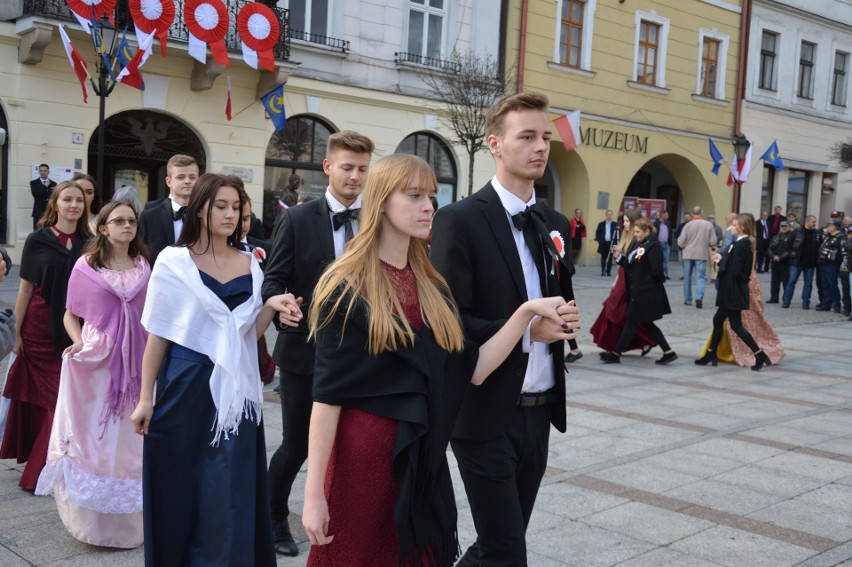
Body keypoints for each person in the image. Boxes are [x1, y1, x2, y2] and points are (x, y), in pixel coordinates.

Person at [301, 154, 574, 566]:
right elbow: (326, 397)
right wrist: (313, 493)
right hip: (364, 457)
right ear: (380, 202)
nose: (429, 206)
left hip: (422, 459)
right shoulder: (345, 283)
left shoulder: (431, 285)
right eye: (413, 196)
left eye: (430, 195)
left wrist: (525, 314)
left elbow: (474, 369)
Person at [430, 92, 580, 566]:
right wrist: (525, 330)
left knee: (497, 545)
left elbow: (556, 296)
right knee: (508, 550)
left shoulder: (554, 222)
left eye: (546, 138)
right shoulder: (459, 220)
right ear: (495, 144)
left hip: (540, 410)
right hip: (484, 413)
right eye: (528, 137)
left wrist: (564, 320)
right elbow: (450, 323)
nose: (541, 147)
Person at [130, 174, 296, 566]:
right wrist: (144, 398)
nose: (230, 214)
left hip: (236, 392)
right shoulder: (172, 261)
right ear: (200, 208)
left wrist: (271, 308)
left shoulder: (252, 263)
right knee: (181, 486)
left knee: (229, 488)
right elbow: (159, 335)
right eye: (220, 206)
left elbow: (247, 336)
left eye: (236, 207)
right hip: (184, 385)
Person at [262, 130, 374, 557]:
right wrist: (280, 300)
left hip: (364, 356)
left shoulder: (377, 219)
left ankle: (343, 519)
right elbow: (273, 280)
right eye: (347, 168)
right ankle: (273, 517)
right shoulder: (296, 218)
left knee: (353, 446)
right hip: (304, 354)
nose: (355, 177)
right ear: (327, 167)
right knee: (296, 446)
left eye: (363, 169)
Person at [35, 200, 150, 548]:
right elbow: (70, 314)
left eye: (131, 221)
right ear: (103, 228)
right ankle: (94, 525)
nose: (127, 226)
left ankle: (131, 527)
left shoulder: (145, 266)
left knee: (130, 441)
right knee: (97, 437)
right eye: (118, 221)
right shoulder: (86, 267)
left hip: (138, 362)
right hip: (98, 361)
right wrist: (78, 344)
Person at [0, 181, 91, 490]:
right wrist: (17, 332)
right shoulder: (37, 240)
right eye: (67, 199)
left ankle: (54, 468)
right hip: (38, 329)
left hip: (77, 330)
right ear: (55, 203)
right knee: (52, 401)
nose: (74, 205)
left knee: (66, 401)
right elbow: (25, 288)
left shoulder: (90, 242)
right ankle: (42, 472)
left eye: (79, 200)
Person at [696, 213, 773, 371]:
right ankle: (712, 353)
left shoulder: (740, 245)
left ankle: (759, 354)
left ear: (742, 227)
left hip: (732, 291)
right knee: (718, 320)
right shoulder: (742, 244)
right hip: (733, 290)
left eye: (735, 225)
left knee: (736, 326)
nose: (731, 228)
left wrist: (722, 263)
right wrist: (723, 260)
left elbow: (736, 271)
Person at [600, 218, 677, 365]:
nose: (635, 234)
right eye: (634, 232)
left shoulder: (654, 247)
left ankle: (615, 354)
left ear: (647, 231)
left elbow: (657, 272)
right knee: (647, 324)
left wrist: (650, 284)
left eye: (637, 232)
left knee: (631, 322)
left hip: (645, 293)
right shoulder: (640, 245)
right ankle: (668, 352)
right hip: (637, 291)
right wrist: (619, 257)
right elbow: (630, 265)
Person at [590, 208, 657, 356]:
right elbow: (623, 264)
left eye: (627, 221)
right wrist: (616, 275)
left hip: (629, 280)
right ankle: (618, 346)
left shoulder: (638, 239)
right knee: (616, 311)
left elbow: (635, 264)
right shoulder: (627, 236)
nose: (624, 224)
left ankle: (639, 342)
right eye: (624, 221)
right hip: (623, 276)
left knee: (619, 312)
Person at [138, 154, 200, 265]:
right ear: (168, 182)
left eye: (192, 177)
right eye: (180, 177)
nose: (187, 181)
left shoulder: (207, 214)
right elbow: (141, 254)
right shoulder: (150, 216)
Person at [677, 206, 716, 308]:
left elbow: (680, 242)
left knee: (687, 277)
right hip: (701, 253)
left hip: (688, 253)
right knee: (700, 277)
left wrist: (685, 245)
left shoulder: (687, 225)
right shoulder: (708, 225)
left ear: (692, 213)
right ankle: (699, 297)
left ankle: (688, 299)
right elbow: (713, 241)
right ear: (702, 213)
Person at [782, 215, 821, 309]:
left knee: (808, 284)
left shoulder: (816, 233)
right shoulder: (796, 231)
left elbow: (819, 245)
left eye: (815, 222)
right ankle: (786, 302)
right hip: (796, 262)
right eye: (813, 222)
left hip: (810, 264)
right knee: (791, 282)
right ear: (807, 221)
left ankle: (805, 303)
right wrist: (792, 254)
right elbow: (787, 245)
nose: (815, 224)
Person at [816, 220, 844, 313]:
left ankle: (837, 305)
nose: (828, 228)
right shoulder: (828, 236)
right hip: (823, 263)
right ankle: (826, 304)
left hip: (832, 265)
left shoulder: (841, 237)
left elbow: (842, 252)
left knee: (832, 285)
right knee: (825, 285)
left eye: (830, 226)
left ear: (835, 227)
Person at [766, 220, 792, 303]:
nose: (783, 228)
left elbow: (791, 250)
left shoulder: (791, 237)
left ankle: (786, 299)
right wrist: (773, 256)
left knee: (786, 282)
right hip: (774, 262)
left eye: (785, 226)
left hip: (785, 262)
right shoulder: (776, 236)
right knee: (774, 281)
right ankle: (774, 298)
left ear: (789, 227)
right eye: (782, 226)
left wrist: (780, 257)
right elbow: (769, 248)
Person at [30, 163, 57, 231]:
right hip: (38, 211)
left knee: (48, 230)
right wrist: (45, 186)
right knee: (37, 230)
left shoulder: (53, 183)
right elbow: (35, 194)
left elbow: (54, 196)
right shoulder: (34, 183)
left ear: (48, 172)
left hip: (49, 211)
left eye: (45, 171)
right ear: (39, 171)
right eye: (41, 171)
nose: (43, 172)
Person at [594, 209, 617, 277]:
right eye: (608, 214)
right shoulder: (601, 224)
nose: (609, 215)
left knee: (610, 258)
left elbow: (617, 234)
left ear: (612, 215)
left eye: (610, 214)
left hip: (611, 243)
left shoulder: (615, 224)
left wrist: (615, 243)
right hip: (604, 243)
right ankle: (603, 270)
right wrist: (600, 241)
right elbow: (597, 233)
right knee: (603, 257)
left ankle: (608, 271)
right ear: (606, 215)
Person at [654, 210, 672, 279]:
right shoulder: (656, 223)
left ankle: (665, 274)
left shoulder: (668, 223)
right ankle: (659, 274)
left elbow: (670, 233)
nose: (668, 217)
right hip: (659, 244)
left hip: (666, 244)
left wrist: (670, 242)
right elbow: (654, 234)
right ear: (662, 216)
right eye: (666, 215)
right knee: (659, 260)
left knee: (666, 260)